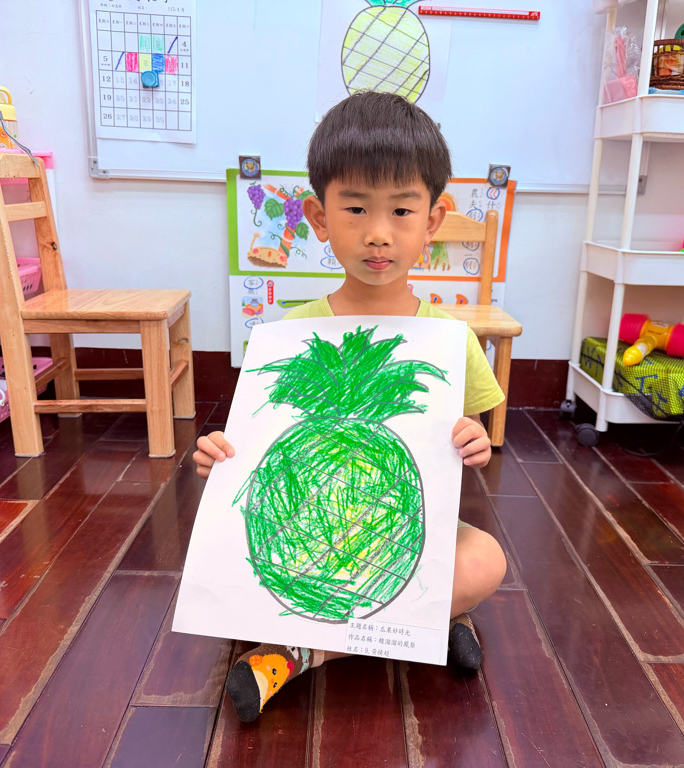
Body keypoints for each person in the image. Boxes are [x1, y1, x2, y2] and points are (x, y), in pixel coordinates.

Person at [193, 90, 508, 723]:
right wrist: (217, 457)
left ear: (434, 220)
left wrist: (474, 443)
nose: (377, 233)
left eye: (401, 210)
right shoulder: (287, 335)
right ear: (318, 216)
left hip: (406, 531)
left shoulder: (452, 340)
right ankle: (426, 623)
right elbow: (251, 442)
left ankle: (300, 652)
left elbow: (474, 441)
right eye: (356, 208)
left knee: (487, 559)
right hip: (302, 538)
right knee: (221, 578)